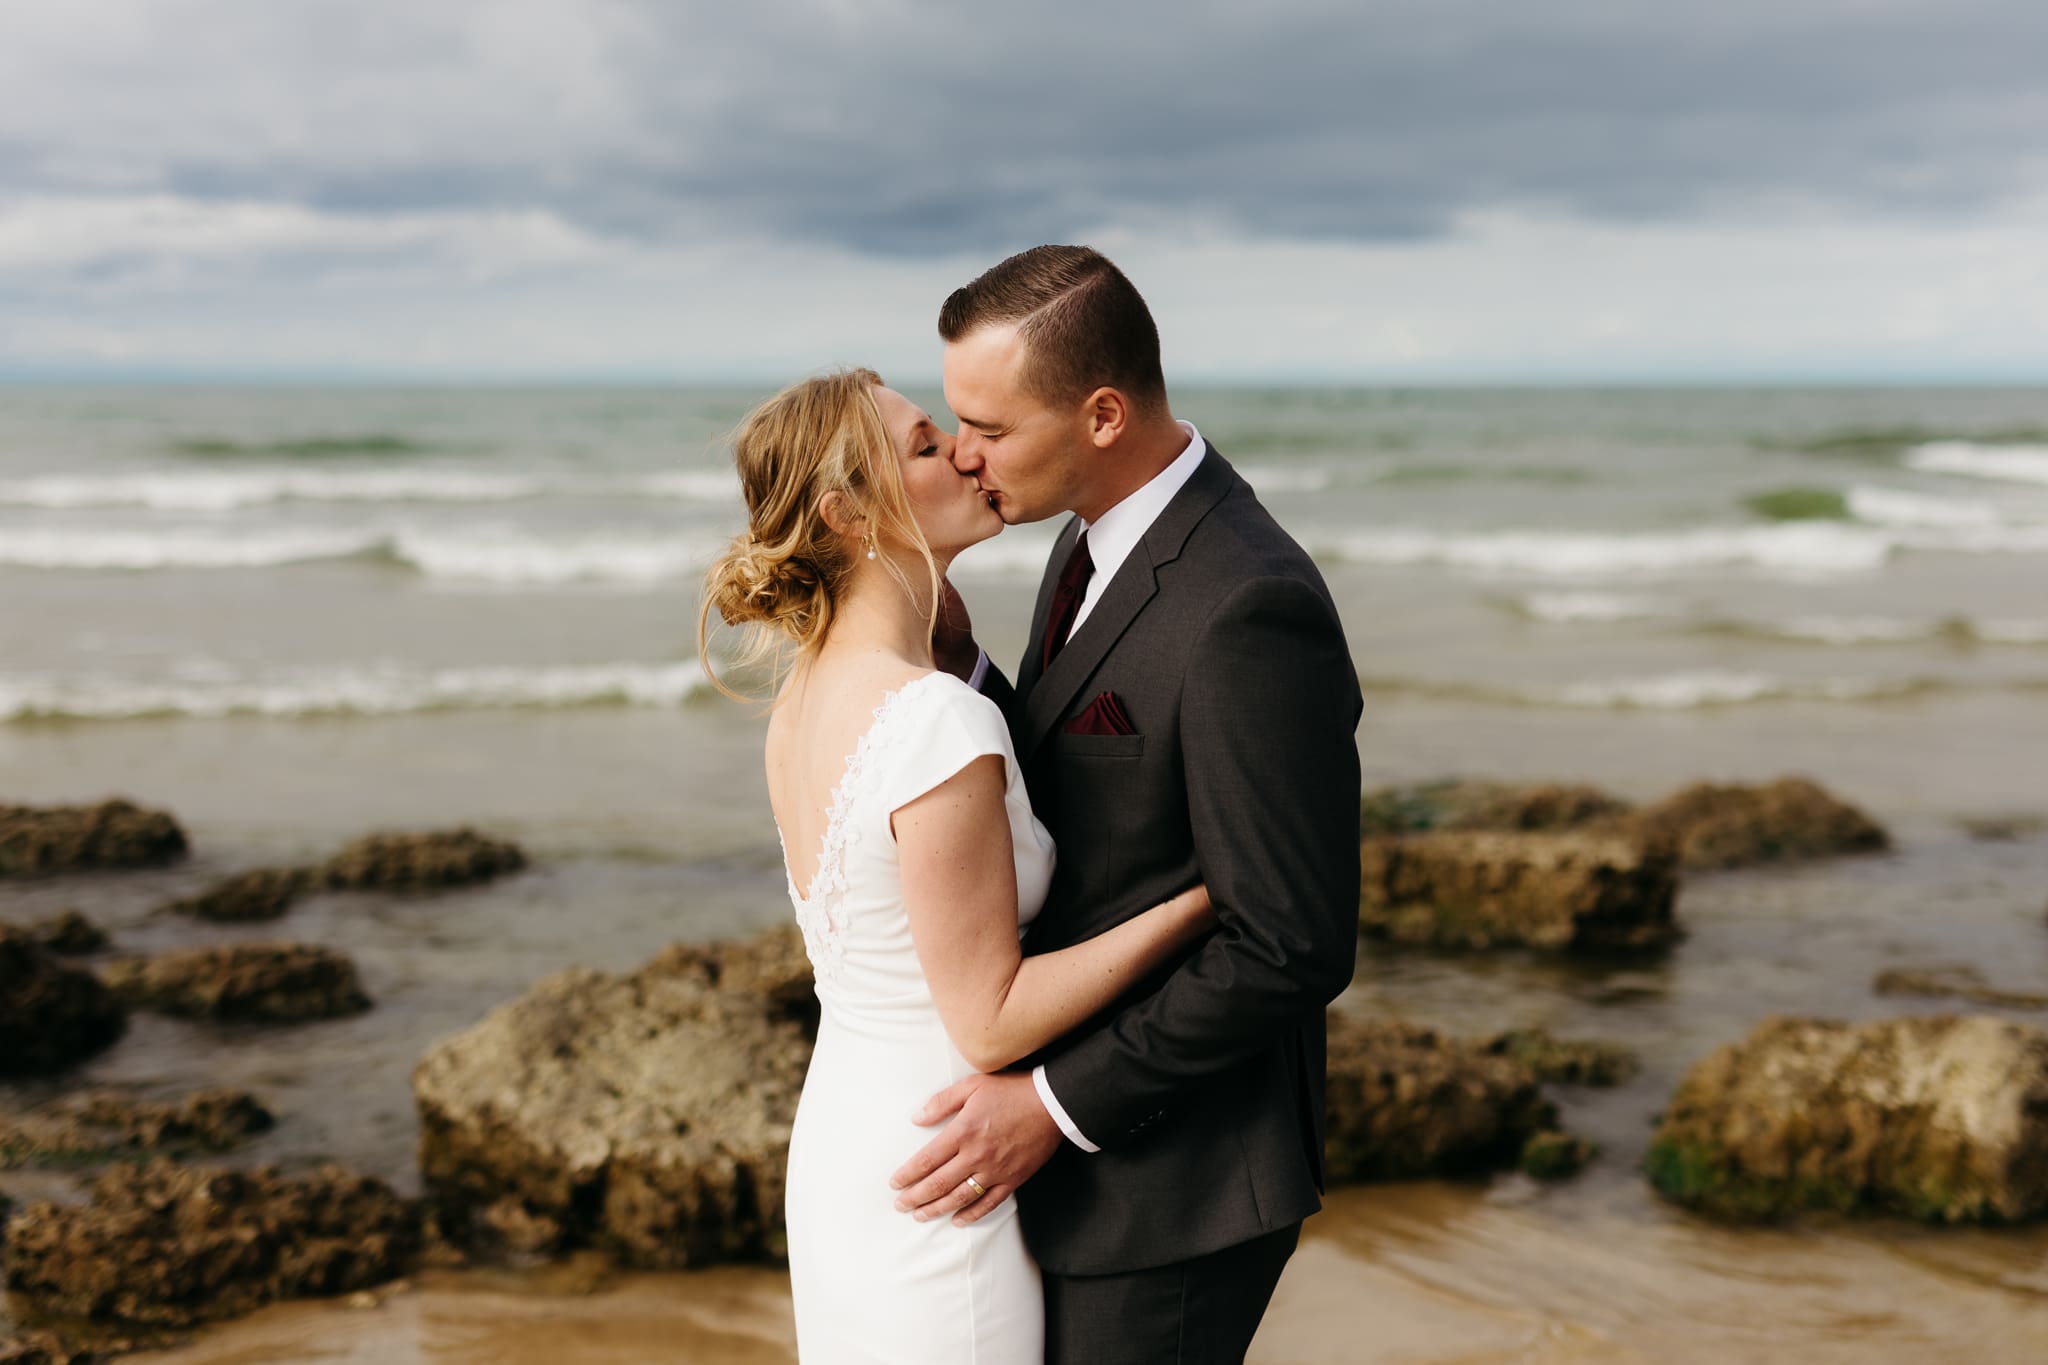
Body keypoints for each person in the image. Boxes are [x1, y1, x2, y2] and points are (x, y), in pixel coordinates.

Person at [887, 245, 1364, 1363]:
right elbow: (1099, 784)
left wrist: (1050, 1104)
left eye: (989, 428)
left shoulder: (1249, 606)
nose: (963, 452)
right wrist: (969, 677)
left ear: (1101, 414)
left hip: (1177, 1187)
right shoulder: (1084, 533)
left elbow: (1288, 944)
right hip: (1093, 1180)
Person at [699, 367, 1217, 1364]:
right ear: (848, 513)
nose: (966, 454)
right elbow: (988, 1015)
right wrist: (1201, 899)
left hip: (850, 1140)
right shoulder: (934, 718)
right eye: (928, 446)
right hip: (945, 1166)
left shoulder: (802, 702)